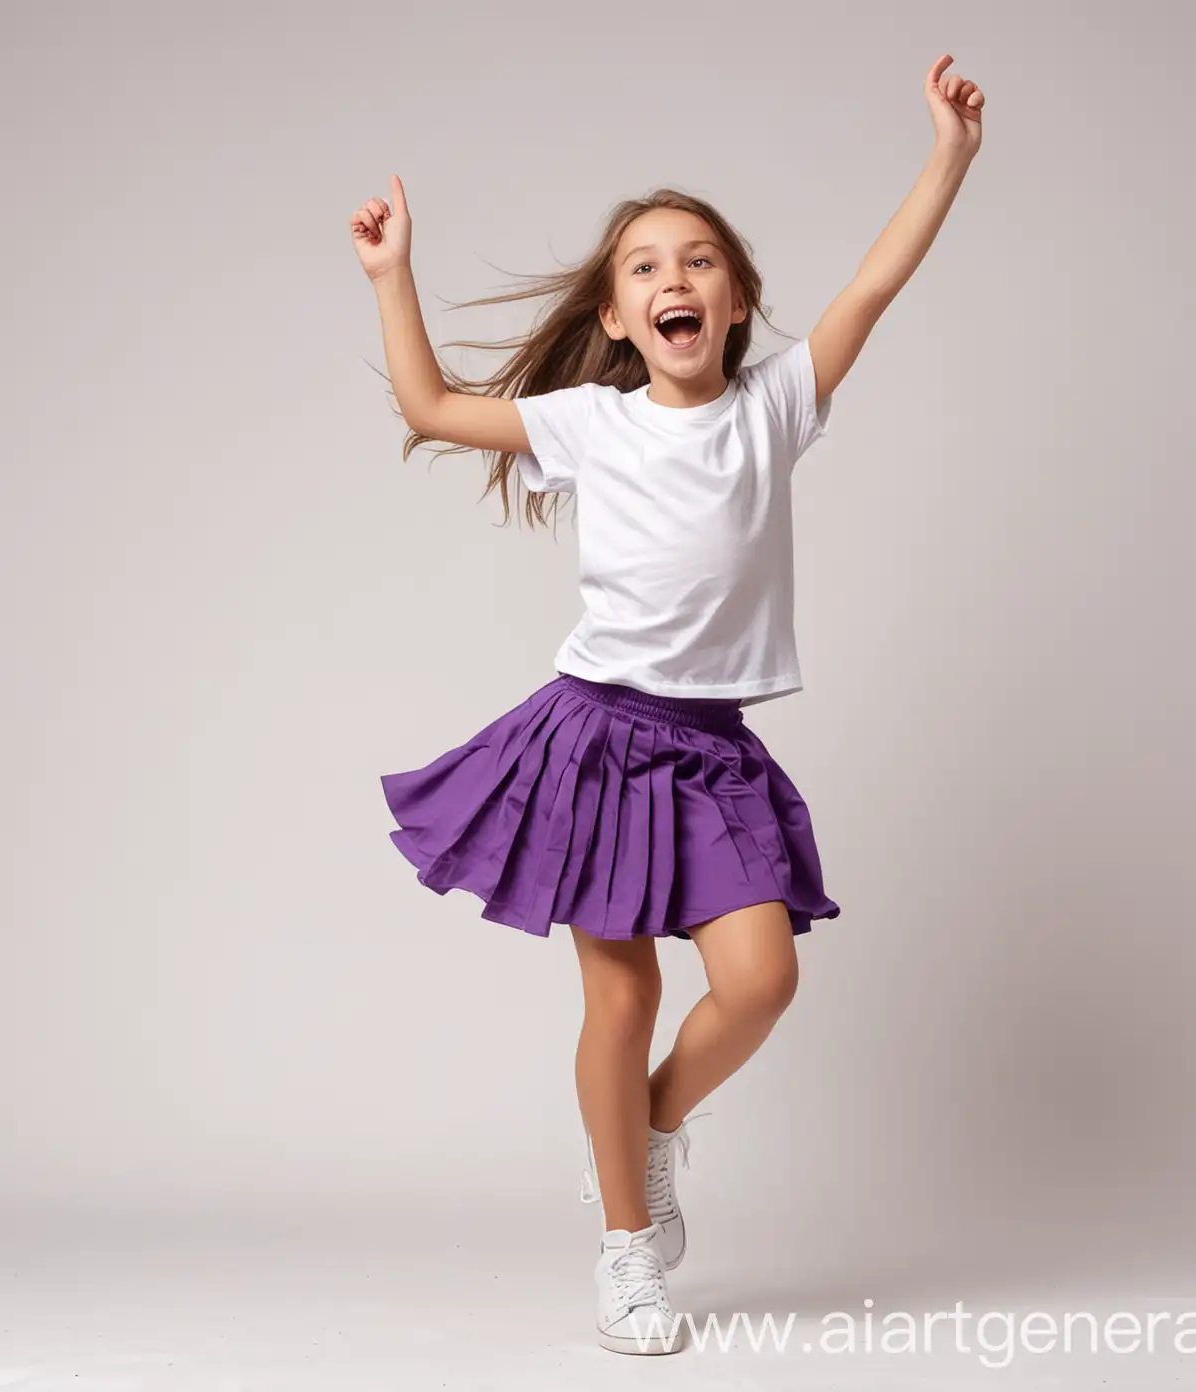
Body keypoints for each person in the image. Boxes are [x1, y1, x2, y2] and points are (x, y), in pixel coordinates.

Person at [352, 53, 985, 1357]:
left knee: (759, 981)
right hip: (593, 737)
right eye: (644, 267)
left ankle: (644, 1135)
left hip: (710, 749)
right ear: (619, 313)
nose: (673, 279)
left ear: (737, 299)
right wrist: (389, 276)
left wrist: (950, 157)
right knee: (621, 998)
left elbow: (876, 280)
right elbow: (425, 406)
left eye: (697, 260)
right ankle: (627, 1249)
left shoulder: (779, 406)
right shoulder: (592, 422)